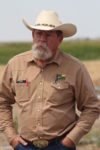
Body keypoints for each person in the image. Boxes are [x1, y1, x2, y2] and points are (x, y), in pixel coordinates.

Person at [0, 10, 100, 150]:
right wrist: (12, 138)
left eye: (48, 34)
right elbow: (2, 102)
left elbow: (92, 107)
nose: (42, 39)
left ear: (60, 39)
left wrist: (71, 140)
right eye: (38, 33)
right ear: (32, 35)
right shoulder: (15, 65)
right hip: (24, 146)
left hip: (61, 145)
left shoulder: (75, 68)